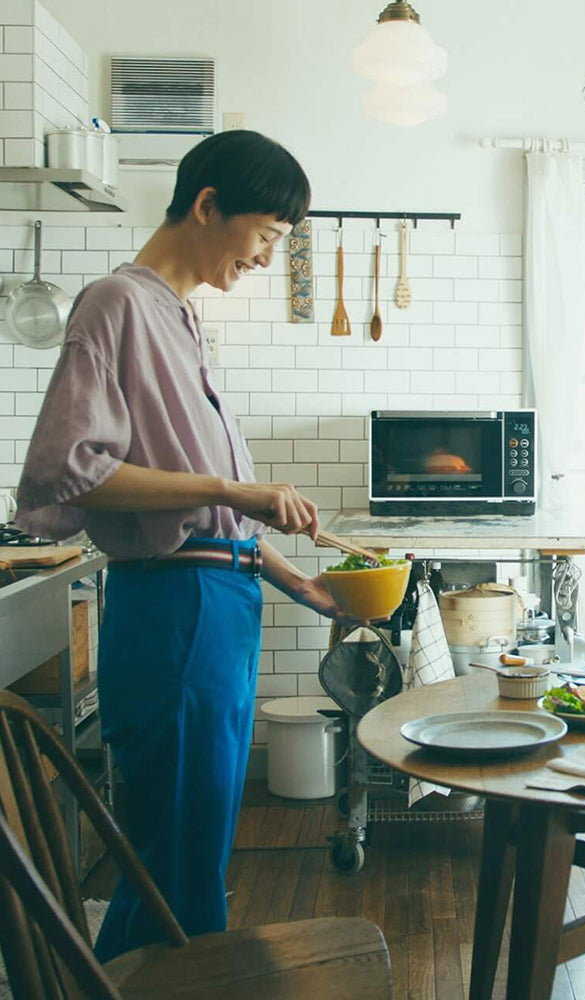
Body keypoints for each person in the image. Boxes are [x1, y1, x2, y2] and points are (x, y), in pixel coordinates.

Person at [15, 130, 350, 962]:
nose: (269, 258)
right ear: (208, 206)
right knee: (172, 856)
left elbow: (214, 516)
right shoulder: (115, 303)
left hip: (219, 601)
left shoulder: (180, 317)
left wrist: (298, 583)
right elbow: (72, 471)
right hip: (175, 611)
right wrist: (232, 490)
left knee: (194, 844)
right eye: (268, 235)